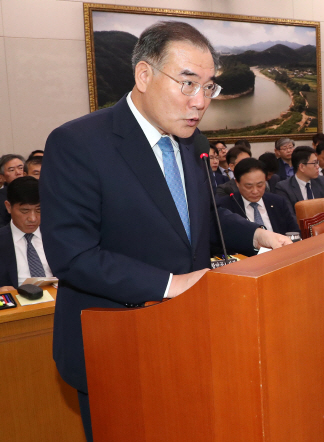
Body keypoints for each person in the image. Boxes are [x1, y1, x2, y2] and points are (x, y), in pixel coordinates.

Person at [39, 21, 291, 442]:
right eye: (188, 84)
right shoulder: (78, 143)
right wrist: (170, 284)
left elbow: (199, 219)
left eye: (209, 87)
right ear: (143, 75)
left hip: (189, 341)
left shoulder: (193, 142)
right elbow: (73, 254)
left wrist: (257, 236)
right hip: (118, 346)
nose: (201, 101)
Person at [218, 158, 299, 237]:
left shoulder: (277, 202)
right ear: (237, 183)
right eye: (249, 186)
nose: (255, 191)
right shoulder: (225, 206)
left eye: (260, 185)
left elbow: (294, 232)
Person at [0, 177, 53, 291]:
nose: (33, 218)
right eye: (25, 211)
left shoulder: (57, 236)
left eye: (39, 210)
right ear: (8, 207)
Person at [275, 145, 324, 213]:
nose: (318, 166)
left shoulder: (322, 181)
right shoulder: (283, 188)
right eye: (315, 163)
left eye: (317, 162)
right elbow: (289, 216)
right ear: (302, 167)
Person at [0, 154, 25, 226]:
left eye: (20, 168)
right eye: (11, 170)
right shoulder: (1, 197)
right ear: (2, 177)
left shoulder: (38, 191)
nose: (18, 172)